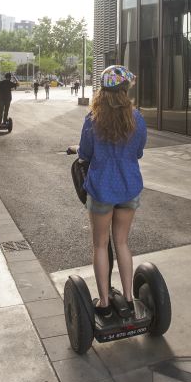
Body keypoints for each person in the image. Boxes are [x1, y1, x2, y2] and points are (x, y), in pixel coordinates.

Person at [77, 65, 146, 317]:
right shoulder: (136, 118)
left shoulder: (93, 118)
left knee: (100, 245)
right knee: (122, 243)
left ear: (103, 90)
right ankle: (128, 299)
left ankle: (104, 303)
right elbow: (138, 151)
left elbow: (85, 154)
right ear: (125, 89)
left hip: (102, 189)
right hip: (129, 187)